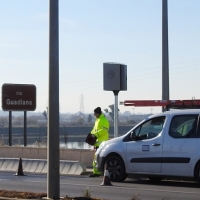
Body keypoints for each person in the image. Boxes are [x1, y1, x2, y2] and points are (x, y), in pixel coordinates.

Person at [89, 107, 110, 177]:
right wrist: (91, 134)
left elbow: (104, 130)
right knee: (96, 158)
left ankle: (99, 172)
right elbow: (94, 130)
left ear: (98, 113)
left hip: (102, 143)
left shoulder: (104, 120)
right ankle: (96, 172)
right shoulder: (97, 120)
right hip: (97, 142)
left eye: (95, 113)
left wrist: (95, 134)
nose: (94, 114)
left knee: (100, 158)